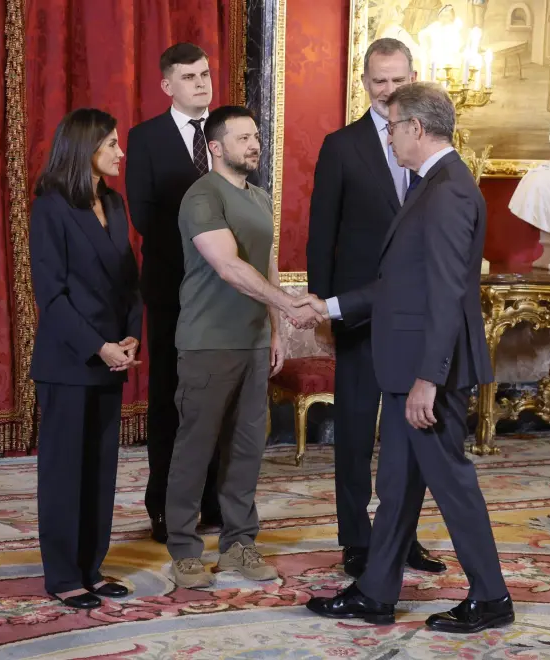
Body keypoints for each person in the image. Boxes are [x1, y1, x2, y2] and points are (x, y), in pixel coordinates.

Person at [301, 82, 514, 634]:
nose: (388, 136)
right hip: (408, 369)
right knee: (395, 485)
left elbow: (445, 294)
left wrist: (428, 380)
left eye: (392, 127)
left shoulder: (446, 191)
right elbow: (398, 284)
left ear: (417, 128)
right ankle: (376, 592)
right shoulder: (432, 184)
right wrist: (327, 304)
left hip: (426, 373)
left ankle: (491, 598)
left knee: (451, 483)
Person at [165, 105, 322, 588]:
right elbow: (229, 266)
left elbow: (266, 264)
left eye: (256, 136)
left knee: (247, 448)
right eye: (243, 138)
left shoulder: (259, 197)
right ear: (216, 147)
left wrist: (276, 328)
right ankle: (185, 550)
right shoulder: (201, 196)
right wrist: (292, 304)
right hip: (208, 343)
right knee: (196, 448)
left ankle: (239, 545)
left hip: (254, 343)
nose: (254, 144)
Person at [307, 38, 446, 581]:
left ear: (414, 76)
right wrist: (324, 312)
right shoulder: (341, 146)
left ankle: (402, 537)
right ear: (362, 83)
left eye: (397, 80)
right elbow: (323, 237)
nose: (388, 91)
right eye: (378, 81)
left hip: (413, 316)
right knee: (358, 432)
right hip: (358, 316)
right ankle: (355, 541)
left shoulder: (430, 148)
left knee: (410, 436)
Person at [30, 108, 143, 609]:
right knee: (64, 471)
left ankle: (91, 567)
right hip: (69, 360)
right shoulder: (51, 207)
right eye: (112, 144)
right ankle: (62, 574)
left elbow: (129, 283)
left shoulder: (116, 204)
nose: (121, 152)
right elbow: (50, 296)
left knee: (100, 470)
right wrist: (99, 346)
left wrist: (131, 337)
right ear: (86, 149)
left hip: (112, 357)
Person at [126, 43, 223, 544]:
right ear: (168, 85)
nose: (200, 83)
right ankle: (163, 504)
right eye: (188, 77)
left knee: (215, 398)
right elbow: (143, 217)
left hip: (226, 293)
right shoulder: (144, 139)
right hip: (172, 290)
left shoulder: (229, 130)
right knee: (170, 399)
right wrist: (204, 252)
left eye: (204, 74)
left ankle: (213, 499)